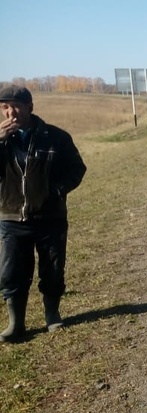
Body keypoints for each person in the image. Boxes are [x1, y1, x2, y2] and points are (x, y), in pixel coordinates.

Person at [0, 85, 87, 342]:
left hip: (51, 218)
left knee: (52, 269)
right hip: (12, 217)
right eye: (4, 107)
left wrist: (57, 191)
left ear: (30, 107)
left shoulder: (56, 137)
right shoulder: (2, 140)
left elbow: (76, 168)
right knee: (11, 272)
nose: (10, 112)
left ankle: (52, 314)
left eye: (15, 106)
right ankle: (16, 324)